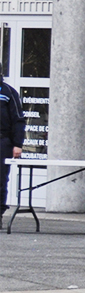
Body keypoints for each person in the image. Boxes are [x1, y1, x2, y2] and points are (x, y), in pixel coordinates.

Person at [0, 77, 22, 223]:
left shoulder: (8, 92)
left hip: (2, 141)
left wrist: (18, 144)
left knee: (0, 179)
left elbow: (18, 119)